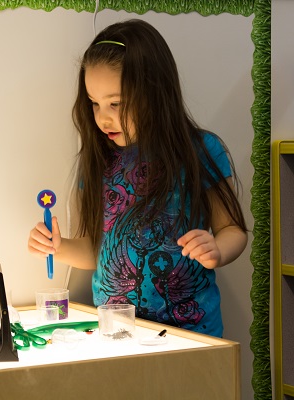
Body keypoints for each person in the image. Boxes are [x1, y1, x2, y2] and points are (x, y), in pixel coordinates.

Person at [27, 19, 248, 337]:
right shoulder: (98, 159)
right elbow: (95, 250)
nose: (104, 117)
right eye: (95, 104)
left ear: (155, 93)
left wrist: (217, 248)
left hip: (190, 332)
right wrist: (57, 247)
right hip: (117, 332)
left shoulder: (201, 150)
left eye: (116, 103)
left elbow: (234, 230)